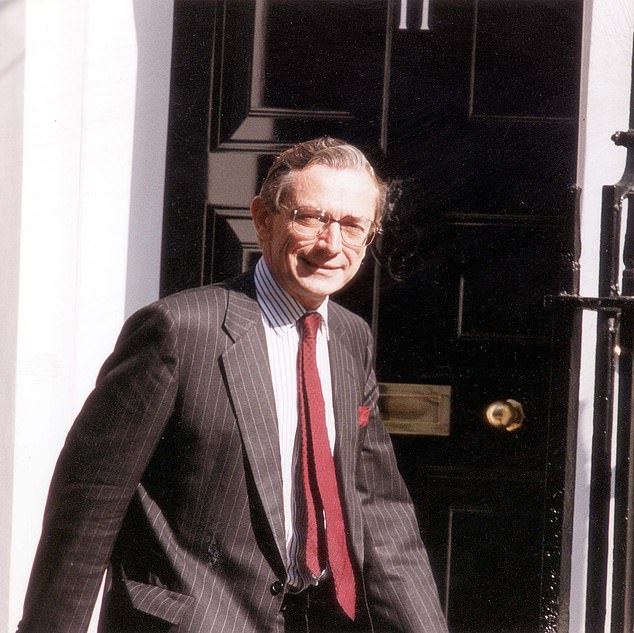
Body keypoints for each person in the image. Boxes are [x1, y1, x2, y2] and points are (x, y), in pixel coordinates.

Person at [17, 138, 448, 633]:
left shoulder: (351, 338)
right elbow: (87, 513)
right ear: (263, 219)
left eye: (353, 226)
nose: (332, 245)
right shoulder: (177, 331)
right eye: (311, 218)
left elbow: (380, 509)